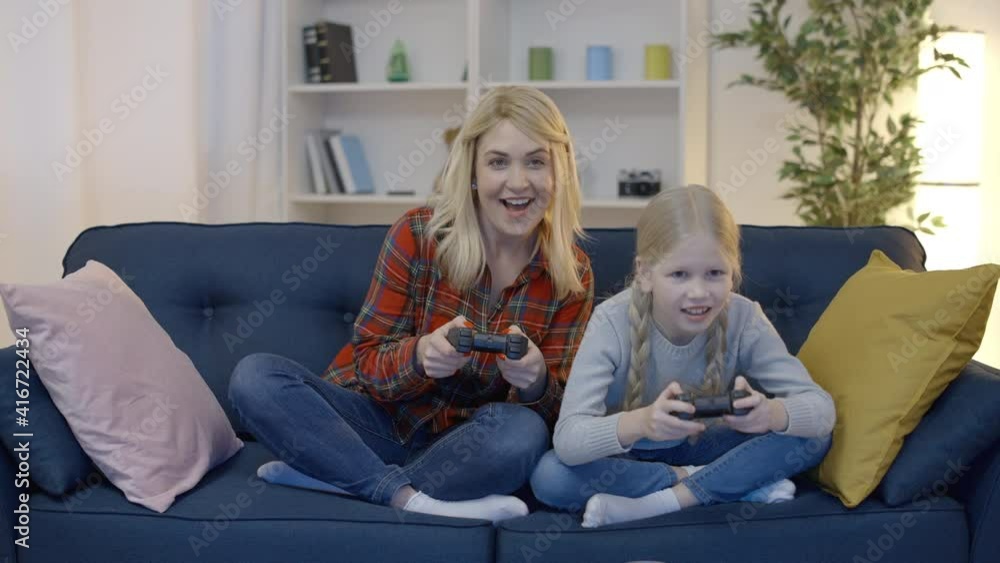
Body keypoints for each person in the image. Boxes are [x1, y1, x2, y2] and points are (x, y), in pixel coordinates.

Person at [228, 85, 594, 523]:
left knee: (522, 434)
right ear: (472, 171)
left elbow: (562, 423)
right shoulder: (418, 234)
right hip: (371, 424)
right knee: (255, 377)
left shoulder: (570, 272)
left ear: (559, 172)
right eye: (498, 162)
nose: (518, 182)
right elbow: (368, 363)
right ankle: (406, 497)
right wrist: (420, 356)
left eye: (535, 162)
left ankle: (343, 476)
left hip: (462, 447)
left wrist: (535, 382)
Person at [529, 184, 835, 528]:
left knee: (814, 437)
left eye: (715, 273)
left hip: (708, 443)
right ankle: (724, 482)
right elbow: (569, 439)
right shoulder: (611, 321)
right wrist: (643, 423)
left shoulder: (745, 318)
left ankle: (667, 501)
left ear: (733, 271)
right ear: (645, 274)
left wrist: (770, 414)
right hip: (628, 457)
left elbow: (822, 410)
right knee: (550, 476)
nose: (699, 292)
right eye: (679, 275)